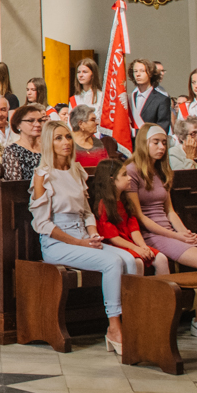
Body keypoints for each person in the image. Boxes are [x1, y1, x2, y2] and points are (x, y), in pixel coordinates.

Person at [31, 123, 141, 354]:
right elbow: (43, 224)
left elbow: (87, 212)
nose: (66, 142)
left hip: (84, 235)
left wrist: (92, 234)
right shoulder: (43, 176)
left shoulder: (77, 170)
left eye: (68, 137)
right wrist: (81, 243)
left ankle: (133, 322)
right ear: (49, 143)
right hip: (58, 243)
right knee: (111, 262)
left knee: (132, 260)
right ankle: (113, 327)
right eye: (58, 138)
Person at [121, 124, 197, 339]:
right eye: (155, 142)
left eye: (164, 142)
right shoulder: (131, 171)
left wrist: (186, 233)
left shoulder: (161, 170)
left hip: (170, 231)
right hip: (151, 234)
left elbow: (170, 211)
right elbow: (140, 218)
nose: (161, 147)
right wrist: (176, 236)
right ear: (144, 143)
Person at [0, 103, 46, 187]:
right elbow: (14, 186)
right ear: (18, 124)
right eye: (31, 121)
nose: (38, 124)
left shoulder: (47, 148)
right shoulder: (12, 151)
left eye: (40, 120)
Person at [130, 58, 170, 130]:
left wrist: (135, 132)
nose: (138, 74)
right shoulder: (129, 98)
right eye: (135, 71)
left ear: (151, 73)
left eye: (142, 71)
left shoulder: (162, 100)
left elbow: (162, 128)